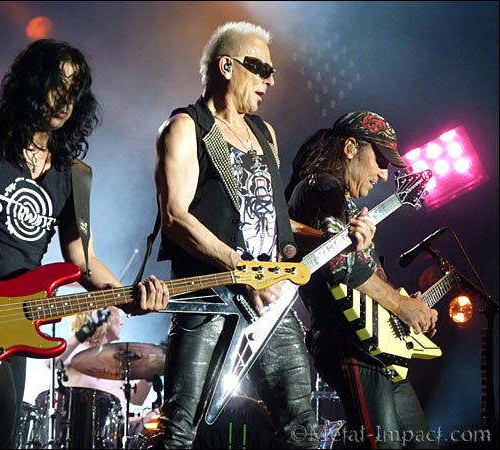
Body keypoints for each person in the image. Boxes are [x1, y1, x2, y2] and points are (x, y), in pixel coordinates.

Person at [0, 39, 169, 449]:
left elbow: (81, 258)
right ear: (31, 85)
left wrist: (126, 299)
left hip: (17, 319)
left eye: (74, 91)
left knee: (2, 433)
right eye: (56, 86)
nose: (65, 100)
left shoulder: (73, 174)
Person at [149, 21, 320, 448]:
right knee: (178, 431)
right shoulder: (186, 127)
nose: (270, 80)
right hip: (209, 297)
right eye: (260, 68)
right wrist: (243, 270)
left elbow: (272, 217)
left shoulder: (265, 133)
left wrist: (333, 236)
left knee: (302, 427)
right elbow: (175, 216)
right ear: (227, 67)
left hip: (268, 303)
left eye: (272, 71)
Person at [285, 111, 439, 448]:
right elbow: (337, 264)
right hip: (350, 343)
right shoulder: (321, 187)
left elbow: (360, 270)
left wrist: (405, 310)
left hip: (377, 346)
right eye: (380, 160)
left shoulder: (344, 201)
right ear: (351, 148)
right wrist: (401, 305)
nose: (384, 174)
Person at [45, 307, 152, 411]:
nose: (121, 322)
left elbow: (137, 399)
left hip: (114, 422)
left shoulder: (119, 356)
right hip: (81, 419)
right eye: (118, 317)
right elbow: (51, 362)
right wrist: (85, 330)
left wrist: (150, 371)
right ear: (104, 319)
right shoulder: (77, 348)